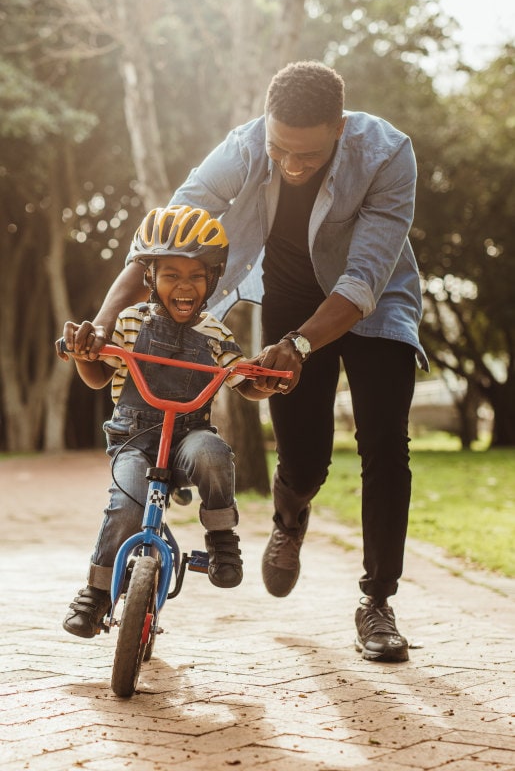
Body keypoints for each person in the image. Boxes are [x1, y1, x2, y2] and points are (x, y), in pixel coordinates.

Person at [66, 61, 429, 661]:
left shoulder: (388, 155)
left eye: (307, 157)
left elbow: (364, 277)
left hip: (375, 300)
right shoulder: (243, 146)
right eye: (280, 149)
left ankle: (378, 602)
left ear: (339, 128)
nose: (290, 165)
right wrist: (104, 322)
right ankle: (290, 517)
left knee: (385, 443)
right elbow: (165, 235)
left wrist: (302, 346)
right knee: (305, 458)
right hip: (290, 294)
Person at [60, 205, 278, 640]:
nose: (184, 286)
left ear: (213, 279)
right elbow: (99, 374)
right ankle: (97, 592)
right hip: (134, 439)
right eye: (171, 274)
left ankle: (221, 538)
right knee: (126, 505)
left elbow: (243, 380)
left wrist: (266, 381)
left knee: (214, 454)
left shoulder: (216, 334)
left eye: (196, 276)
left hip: (188, 438)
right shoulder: (128, 322)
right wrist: (85, 355)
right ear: (150, 278)